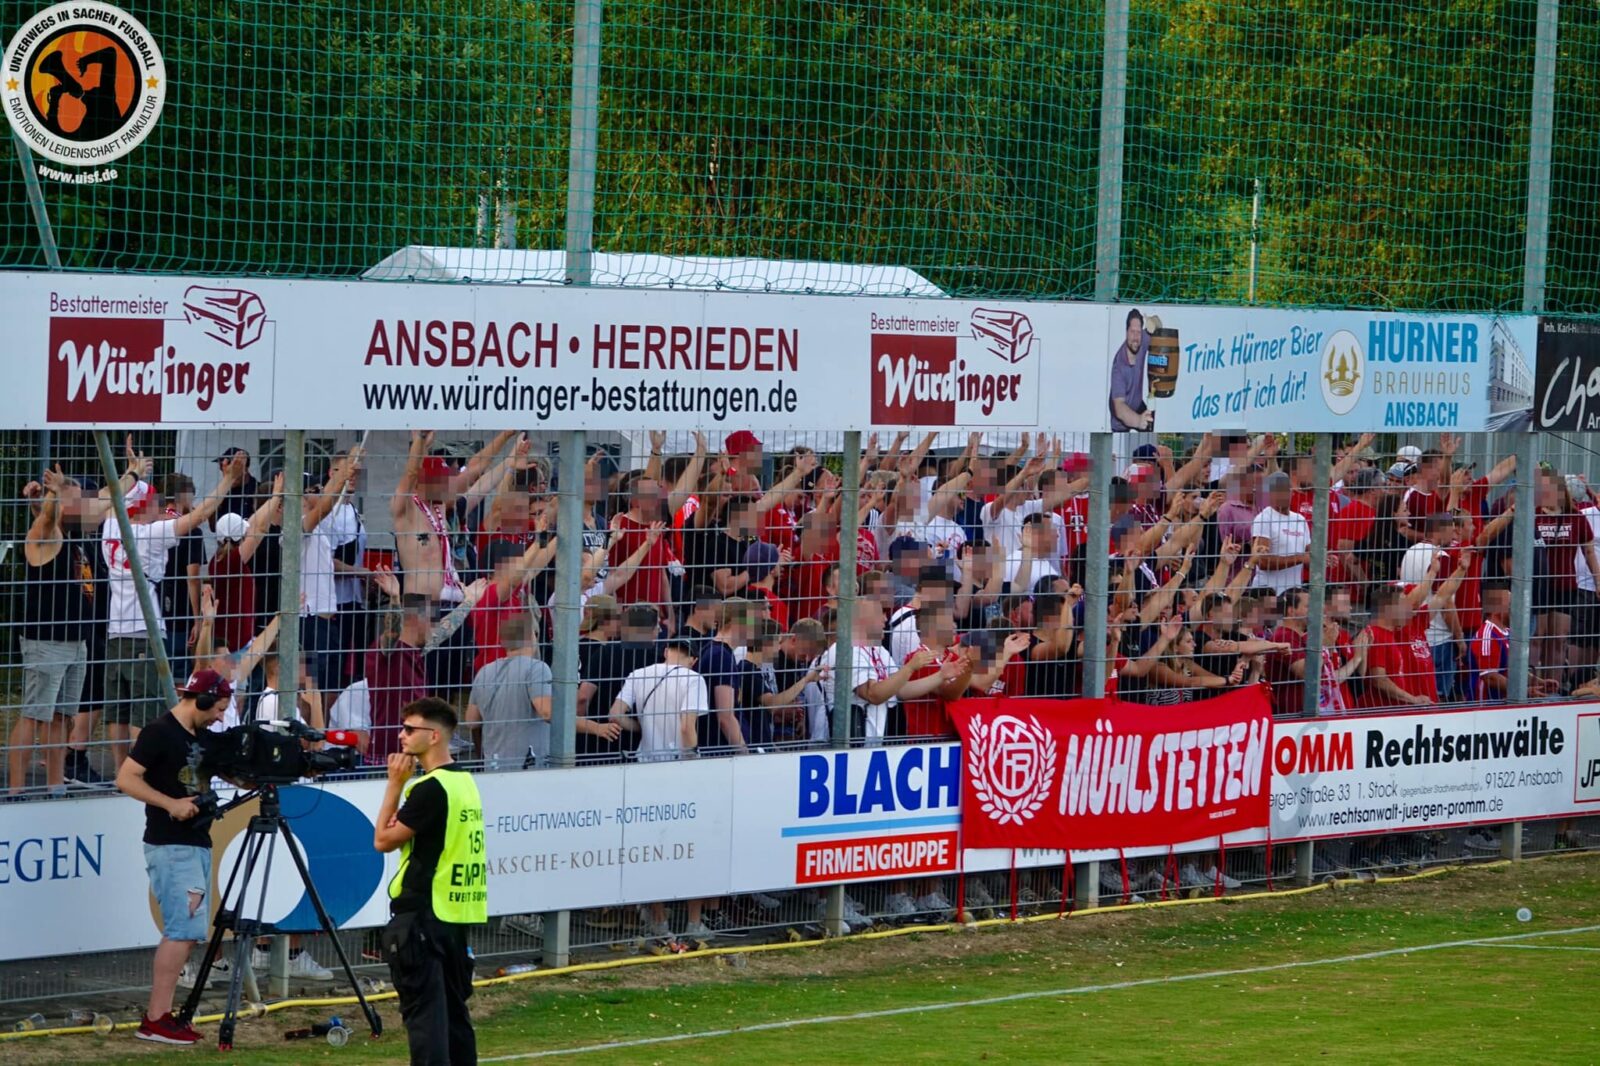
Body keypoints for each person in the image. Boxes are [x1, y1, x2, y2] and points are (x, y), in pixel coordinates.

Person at [104, 452, 246, 766]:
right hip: (144, 630)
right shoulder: (149, 534)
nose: (160, 511)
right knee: (143, 709)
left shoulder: (111, 527)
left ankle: (119, 771)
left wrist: (132, 472)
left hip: (115, 629)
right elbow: (199, 515)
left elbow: (112, 496)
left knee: (118, 709)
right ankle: (141, 769)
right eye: (154, 505)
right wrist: (228, 479)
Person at [116, 669, 232, 1045]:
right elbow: (126, 778)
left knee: (189, 932)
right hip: (172, 845)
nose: (220, 717)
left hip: (194, 843)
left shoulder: (203, 738)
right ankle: (156, 1018)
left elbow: (235, 773)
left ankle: (161, 1016)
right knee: (182, 932)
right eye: (218, 709)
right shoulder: (159, 733)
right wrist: (170, 804)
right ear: (201, 700)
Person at [374, 698, 487, 1066]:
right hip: (454, 917)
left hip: (423, 915)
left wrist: (394, 785)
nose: (401, 735)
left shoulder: (429, 789)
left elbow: (383, 840)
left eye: (410, 729)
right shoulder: (464, 782)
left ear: (434, 736)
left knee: (426, 1024)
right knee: (454, 1020)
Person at [8, 467, 93, 798]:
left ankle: (55, 786)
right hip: (46, 641)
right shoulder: (44, 533)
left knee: (62, 718)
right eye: (75, 501)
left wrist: (132, 474)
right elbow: (47, 517)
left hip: (76, 641)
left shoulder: (73, 536)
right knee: (33, 715)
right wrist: (54, 494)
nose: (81, 507)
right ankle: (16, 791)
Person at [1109, 308, 1152, 431]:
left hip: (1138, 405)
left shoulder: (1142, 341)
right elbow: (1119, 407)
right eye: (1132, 332)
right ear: (1126, 332)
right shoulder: (1119, 366)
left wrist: (1153, 322)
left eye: (1138, 332)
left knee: (1152, 423)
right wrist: (1138, 421)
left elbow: (1158, 324)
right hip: (1121, 421)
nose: (1135, 337)